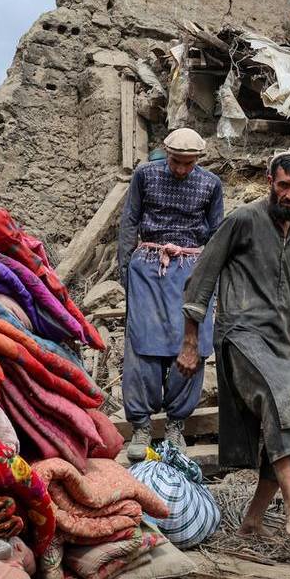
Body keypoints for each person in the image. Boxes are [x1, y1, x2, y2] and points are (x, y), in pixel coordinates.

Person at [176, 149, 290, 539]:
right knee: (279, 405)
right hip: (239, 336)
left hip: (279, 344)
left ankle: (252, 520)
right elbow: (201, 278)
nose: (289, 195)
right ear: (269, 183)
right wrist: (190, 342)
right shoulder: (243, 220)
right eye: (283, 186)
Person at [117, 128, 223, 461]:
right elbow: (129, 221)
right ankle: (142, 426)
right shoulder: (145, 175)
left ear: (198, 160)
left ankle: (177, 422)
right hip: (148, 264)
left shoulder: (210, 184)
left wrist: (213, 276)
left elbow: (218, 233)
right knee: (142, 343)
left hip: (192, 268)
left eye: (188, 164)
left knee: (192, 345)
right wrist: (126, 271)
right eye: (176, 161)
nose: (180, 169)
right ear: (167, 153)